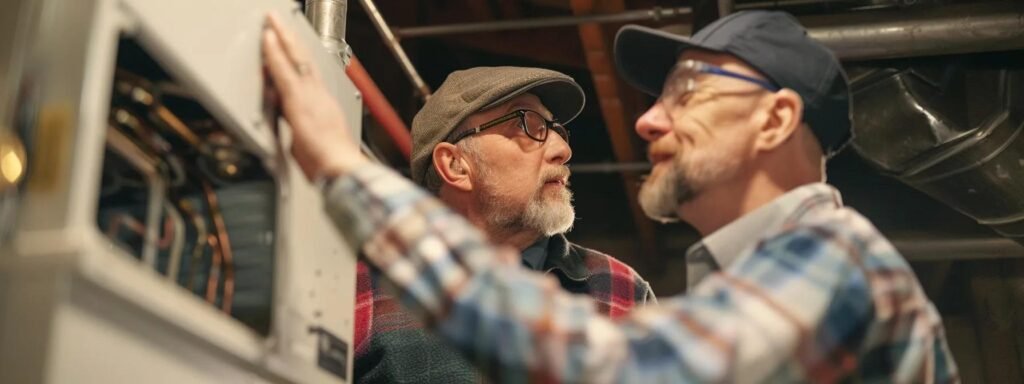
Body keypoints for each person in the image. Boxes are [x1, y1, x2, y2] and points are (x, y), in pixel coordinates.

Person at [262, 9, 959, 383]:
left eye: (687, 92)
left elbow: (622, 368)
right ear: (453, 164)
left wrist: (341, 167)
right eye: (530, 129)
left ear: (775, 120)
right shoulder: (752, 283)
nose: (649, 119)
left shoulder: (834, 262)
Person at [354, 67, 655, 383]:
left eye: (556, 130)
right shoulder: (361, 283)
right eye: (527, 125)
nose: (563, 150)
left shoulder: (621, 287)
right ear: (456, 165)